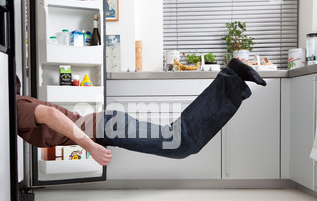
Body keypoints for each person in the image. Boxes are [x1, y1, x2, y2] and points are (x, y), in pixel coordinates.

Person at [17, 58, 266, 166]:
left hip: (105, 127)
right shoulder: (14, 105)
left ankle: (231, 78)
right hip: (106, 127)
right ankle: (231, 79)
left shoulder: (15, 107)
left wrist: (90, 146)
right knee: (182, 142)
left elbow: (49, 116)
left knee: (182, 141)